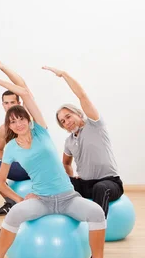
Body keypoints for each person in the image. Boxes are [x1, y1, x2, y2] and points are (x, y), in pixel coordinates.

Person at [0, 70, 115, 258]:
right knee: (14, 215)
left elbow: (26, 93)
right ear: (9, 126)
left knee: (95, 213)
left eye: (21, 119)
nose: (18, 124)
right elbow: (0, 183)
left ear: (29, 120)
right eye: (13, 121)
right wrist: (19, 199)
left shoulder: (41, 132)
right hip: (42, 200)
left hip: (67, 197)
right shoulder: (10, 148)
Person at [43, 66, 123, 217]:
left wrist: (64, 74)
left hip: (109, 183)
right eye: (63, 121)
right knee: (57, 182)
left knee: (100, 188)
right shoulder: (69, 141)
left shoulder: (95, 125)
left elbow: (82, 96)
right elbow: (66, 163)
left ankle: (96, 228)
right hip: (86, 185)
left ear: (79, 114)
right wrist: (72, 177)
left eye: (68, 116)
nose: (67, 122)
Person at [0, 59, 31, 215]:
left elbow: (24, 87)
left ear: (20, 102)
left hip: (35, 166)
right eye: (6, 103)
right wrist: (10, 161)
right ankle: (11, 202)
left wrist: (2, 68)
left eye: (12, 102)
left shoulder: (30, 119)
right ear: (2, 105)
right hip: (20, 166)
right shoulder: (4, 129)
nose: (9, 106)